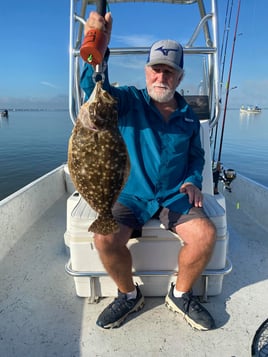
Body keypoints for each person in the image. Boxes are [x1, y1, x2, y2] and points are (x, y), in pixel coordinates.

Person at [80, 11, 216, 331]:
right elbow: (93, 88)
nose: (161, 78)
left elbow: (196, 157)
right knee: (104, 238)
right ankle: (129, 296)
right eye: (156, 70)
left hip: (173, 194)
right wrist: (99, 44)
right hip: (131, 192)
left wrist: (193, 181)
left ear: (180, 77)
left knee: (205, 236)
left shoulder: (188, 118)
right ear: (146, 72)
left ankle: (180, 294)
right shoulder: (127, 100)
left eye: (169, 72)